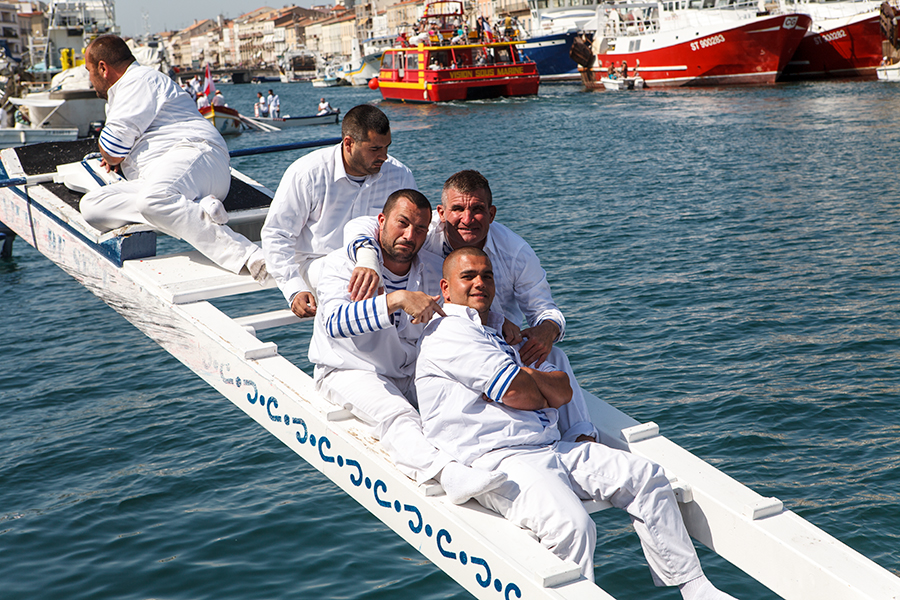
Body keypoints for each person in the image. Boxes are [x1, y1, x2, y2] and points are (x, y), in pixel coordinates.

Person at [416, 247, 738, 600]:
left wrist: (526, 381)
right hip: (502, 460)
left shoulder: (495, 331)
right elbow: (518, 393)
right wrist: (529, 384)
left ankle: (694, 588)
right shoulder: (450, 332)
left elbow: (562, 390)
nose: (480, 283)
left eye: (487, 275)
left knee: (647, 478)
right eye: (469, 276)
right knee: (572, 526)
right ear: (446, 288)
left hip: (549, 445)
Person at [344, 170, 597, 441]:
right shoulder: (422, 232)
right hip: (445, 346)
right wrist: (367, 259)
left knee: (553, 356)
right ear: (441, 213)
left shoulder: (516, 253)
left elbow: (545, 309)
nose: (467, 219)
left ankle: (582, 439)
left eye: (477, 209)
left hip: (497, 343)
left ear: (492, 214)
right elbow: (360, 225)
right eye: (457, 209)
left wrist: (547, 330)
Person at [310, 190, 506, 504]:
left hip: (410, 368)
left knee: (463, 398)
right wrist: (397, 299)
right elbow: (335, 323)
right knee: (398, 415)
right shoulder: (343, 264)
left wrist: (498, 321)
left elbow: (456, 309)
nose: (409, 235)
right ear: (381, 221)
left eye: (419, 229)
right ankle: (448, 475)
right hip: (350, 368)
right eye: (402, 224)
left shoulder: (429, 268)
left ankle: (491, 462)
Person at [78, 34, 267, 282]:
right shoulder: (126, 90)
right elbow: (116, 149)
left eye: (89, 71)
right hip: (168, 179)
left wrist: (114, 156)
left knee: (153, 199)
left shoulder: (138, 81)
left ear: (103, 68)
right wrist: (115, 155)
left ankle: (248, 256)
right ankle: (196, 207)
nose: (89, 80)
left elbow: (113, 149)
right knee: (92, 207)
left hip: (195, 155)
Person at [261, 104, 417, 319]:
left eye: (386, 147)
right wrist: (294, 288)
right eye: (375, 149)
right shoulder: (307, 173)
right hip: (318, 263)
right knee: (357, 282)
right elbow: (276, 234)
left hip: (377, 264)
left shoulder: (399, 174)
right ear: (349, 143)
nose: (383, 156)